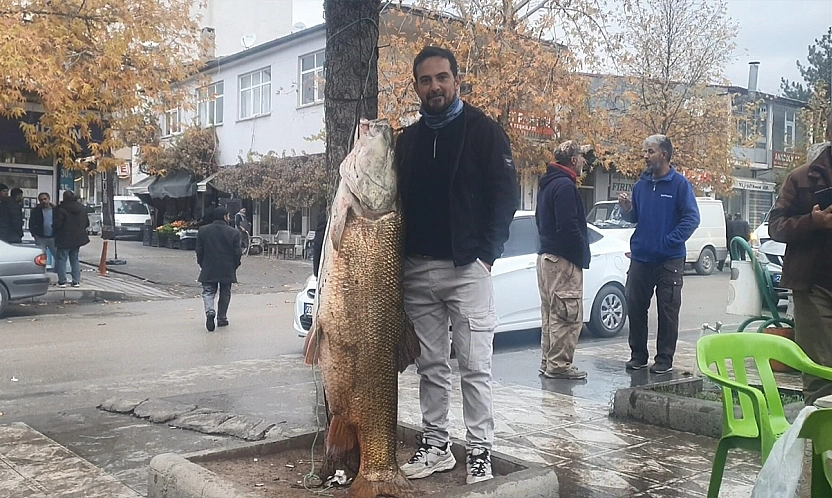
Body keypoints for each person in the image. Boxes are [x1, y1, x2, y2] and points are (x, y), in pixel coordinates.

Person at [395, 46, 518, 485]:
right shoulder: (407, 141)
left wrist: (487, 255)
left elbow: (505, 196)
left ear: (457, 81)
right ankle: (436, 445)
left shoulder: (484, 132)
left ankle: (480, 450)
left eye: (442, 78)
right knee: (430, 365)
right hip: (416, 269)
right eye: (426, 80)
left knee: (474, 364)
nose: (435, 87)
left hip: (467, 268)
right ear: (416, 87)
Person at [619, 134, 700, 374]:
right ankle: (638, 356)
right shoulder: (640, 186)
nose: (646, 156)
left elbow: (692, 219)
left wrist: (669, 241)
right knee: (635, 307)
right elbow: (635, 217)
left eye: (650, 151)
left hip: (669, 259)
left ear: (664, 155)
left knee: (667, 310)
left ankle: (664, 359)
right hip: (641, 257)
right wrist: (627, 210)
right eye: (645, 151)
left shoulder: (680, 185)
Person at [768, 112, 832, 406]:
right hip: (815, 289)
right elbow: (775, 226)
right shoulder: (802, 178)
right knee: (820, 373)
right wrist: (812, 222)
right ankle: (821, 434)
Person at [536, 140, 592, 380]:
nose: (584, 162)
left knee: (551, 314)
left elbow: (540, 221)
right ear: (573, 160)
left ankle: (548, 362)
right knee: (567, 315)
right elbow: (568, 227)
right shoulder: (565, 186)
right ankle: (558, 365)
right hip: (563, 260)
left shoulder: (548, 184)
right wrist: (580, 253)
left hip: (547, 257)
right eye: (582, 157)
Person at [196, 207, 242, 332]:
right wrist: (235, 265)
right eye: (228, 216)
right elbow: (237, 252)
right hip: (227, 267)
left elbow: (199, 250)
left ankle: (210, 311)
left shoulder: (203, 230)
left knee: (208, 291)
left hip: (209, 266)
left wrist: (202, 263)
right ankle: (222, 318)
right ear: (224, 217)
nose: (229, 218)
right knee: (225, 292)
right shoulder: (234, 232)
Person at [52, 190, 90, 288]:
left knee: (61, 259)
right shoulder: (81, 208)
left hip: (64, 238)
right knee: (75, 259)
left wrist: (54, 231)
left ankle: (62, 281)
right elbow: (87, 223)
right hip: (77, 239)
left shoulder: (60, 209)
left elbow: (57, 224)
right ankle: (76, 281)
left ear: (64, 198)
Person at [29, 192, 57, 265]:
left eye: (45, 199)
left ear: (49, 199)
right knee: (40, 258)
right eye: (41, 200)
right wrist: (35, 235)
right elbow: (31, 224)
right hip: (41, 238)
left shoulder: (56, 210)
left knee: (58, 257)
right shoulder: (36, 211)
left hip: (53, 237)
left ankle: (59, 271)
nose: (43, 201)